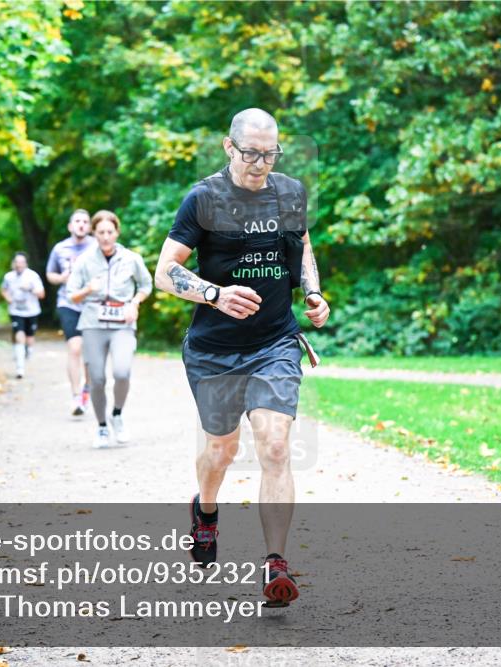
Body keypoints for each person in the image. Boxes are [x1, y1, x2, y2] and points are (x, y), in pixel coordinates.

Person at [154, 108, 330, 607]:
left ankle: (276, 562)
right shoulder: (204, 198)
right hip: (214, 351)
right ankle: (206, 510)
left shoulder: (289, 192)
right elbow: (164, 272)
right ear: (229, 147)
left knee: (275, 445)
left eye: (269, 153)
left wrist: (313, 293)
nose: (260, 162)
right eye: (251, 152)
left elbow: (301, 246)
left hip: (274, 342)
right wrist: (214, 294)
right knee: (221, 451)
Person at [68, 210, 153, 449]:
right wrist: (87, 290)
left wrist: (134, 303)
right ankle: (102, 426)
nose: (105, 237)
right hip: (93, 323)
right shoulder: (84, 260)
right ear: (94, 233)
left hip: (122, 324)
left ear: (117, 232)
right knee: (96, 379)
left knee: (122, 372)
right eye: (101, 232)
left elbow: (146, 284)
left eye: (110, 232)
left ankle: (117, 414)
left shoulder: (131, 258)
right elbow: (71, 295)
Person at [46, 209, 98, 416]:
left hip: (92, 304)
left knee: (90, 353)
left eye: (85, 221)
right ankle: (76, 396)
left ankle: (86, 390)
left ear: (90, 226)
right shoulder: (60, 248)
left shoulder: (96, 246)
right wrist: (62, 278)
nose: (81, 224)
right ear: (70, 226)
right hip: (68, 302)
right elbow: (50, 275)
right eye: (77, 221)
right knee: (75, 347)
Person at [1, 252, 45, 379]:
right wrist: (8, 298)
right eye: (17, 262)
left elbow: (42, 294)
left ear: (26, 263)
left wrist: (30, 289)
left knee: (29, 339)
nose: (19, 264)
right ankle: (20, 368)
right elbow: (3, 289)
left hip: (32, 311)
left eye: (22, 262)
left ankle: (27, 350)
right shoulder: (8, 277)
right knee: (19, 336)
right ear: (14, 263)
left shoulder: (32, 276)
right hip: (16, 311)